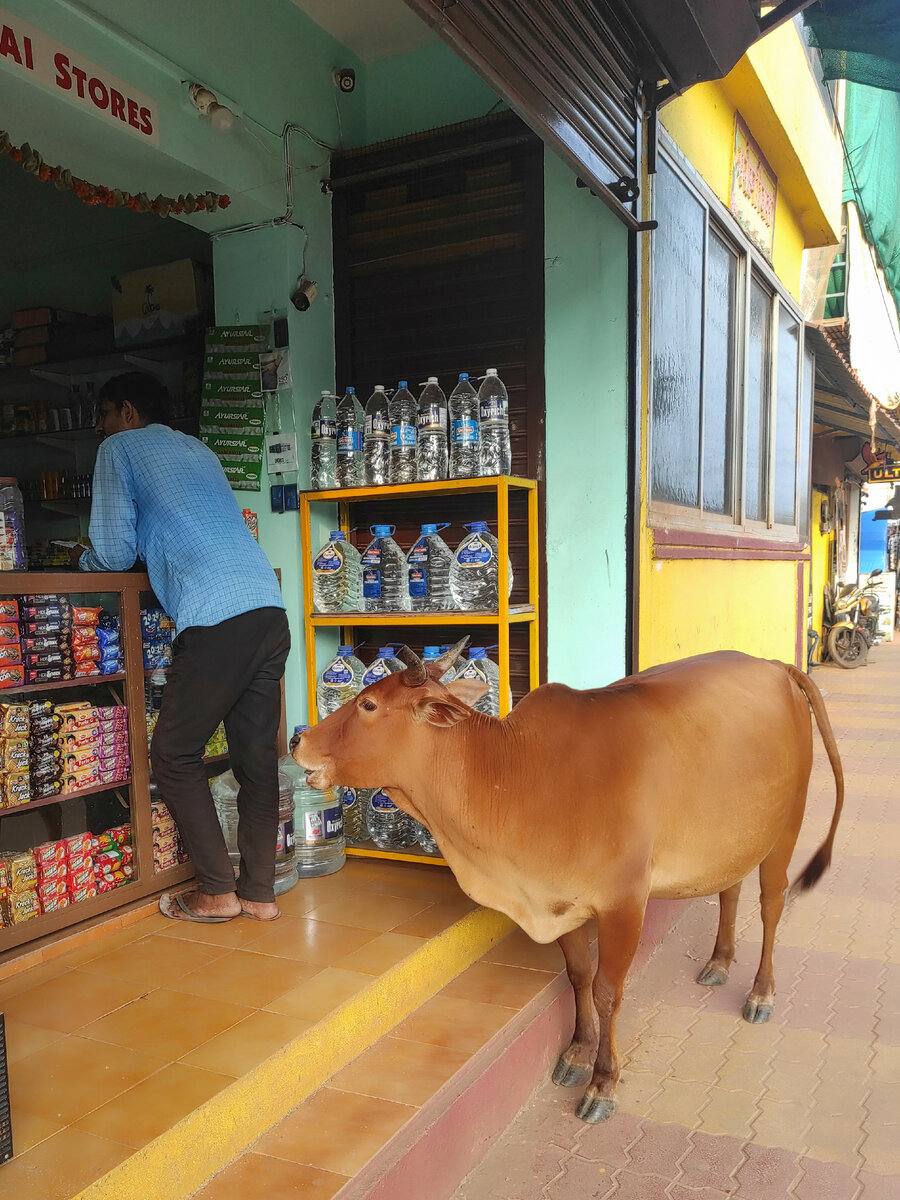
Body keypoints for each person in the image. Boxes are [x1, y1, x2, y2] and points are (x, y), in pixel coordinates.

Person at [73, 371, 289, 924]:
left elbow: (115, 550)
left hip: (215, 618)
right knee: (257, 763)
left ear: (125, 412)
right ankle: (258, 893)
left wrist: (80, 568)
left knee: (172, 754)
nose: (99, 428)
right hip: (267, 605)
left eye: (101, 416)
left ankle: (217, 892)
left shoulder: (119, 447)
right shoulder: (199, 450)